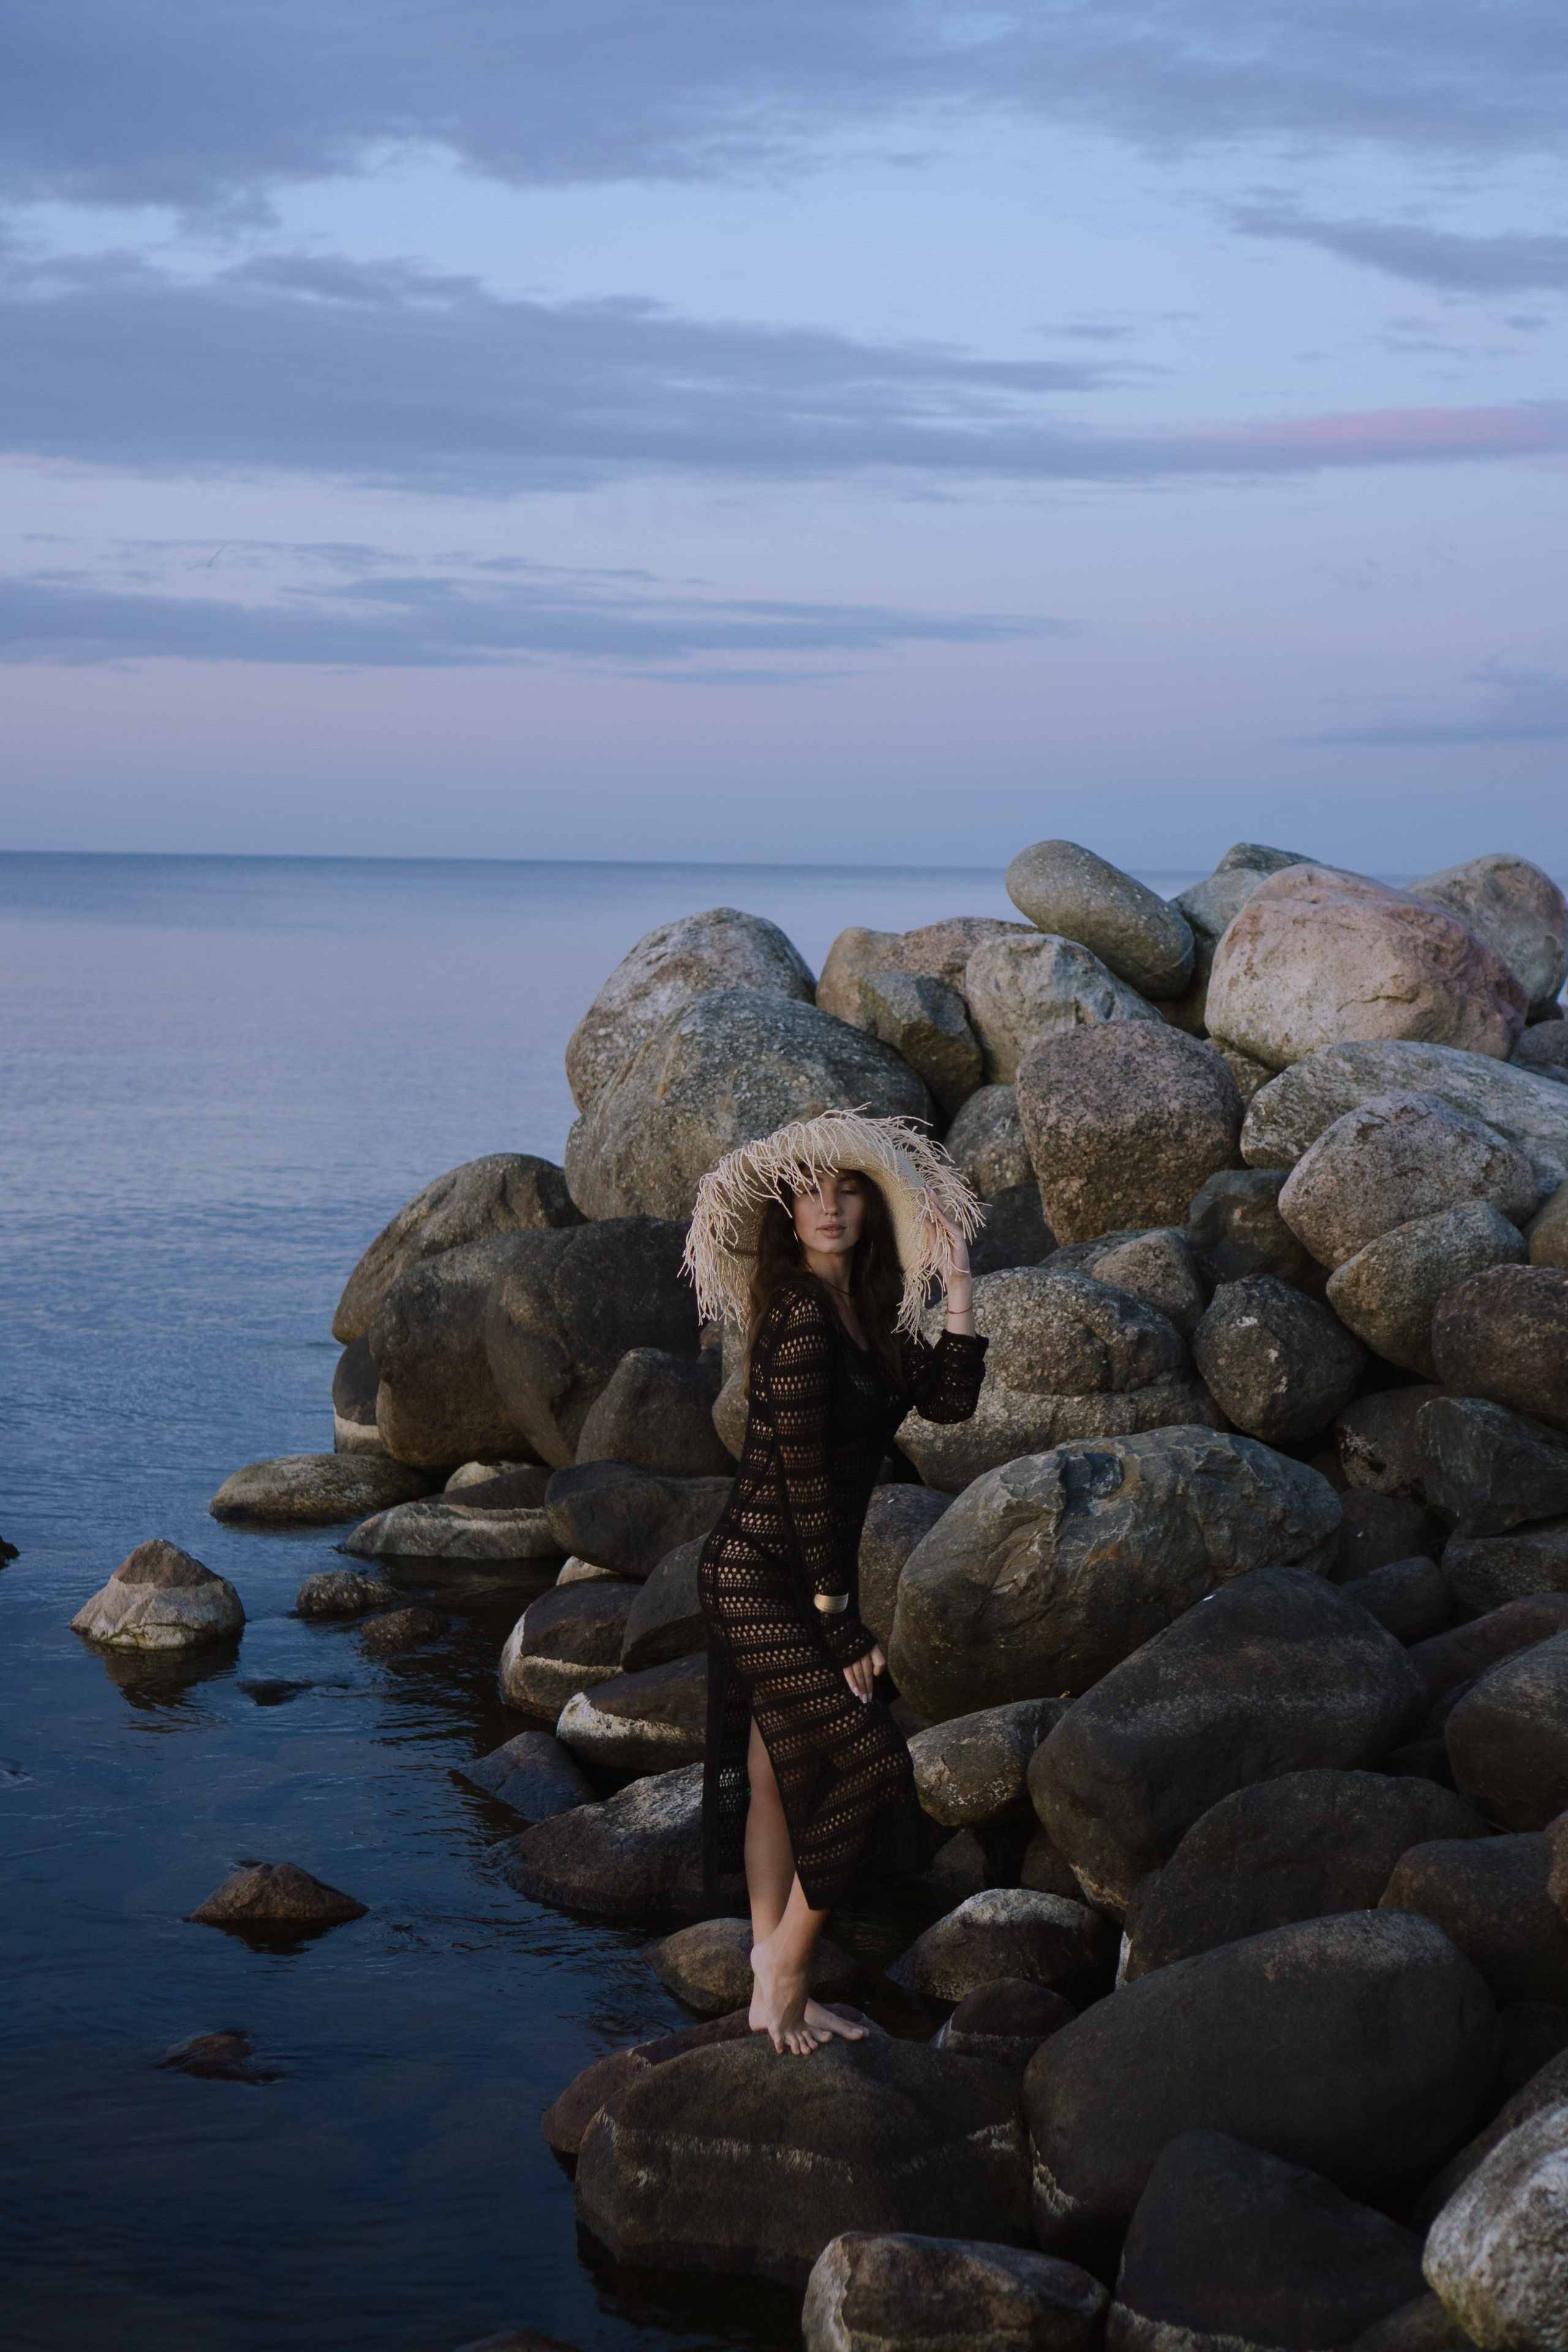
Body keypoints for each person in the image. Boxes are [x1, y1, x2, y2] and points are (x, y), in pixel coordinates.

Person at [683, 1111, 988, 2056]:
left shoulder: (866, 1316)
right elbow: (805, 1477)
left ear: (869, 1209)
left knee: (783, 1773)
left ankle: (773, 1986)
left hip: (800, 1574)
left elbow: (950, 1400)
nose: (829, 1206)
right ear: (786, 1213)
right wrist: (838, 1617)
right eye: (811, 1191)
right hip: (756, 1575)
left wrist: (958, 1287)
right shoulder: (798, 1315)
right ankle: (783, 1965)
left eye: (848, 1189)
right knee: (871, 1763)